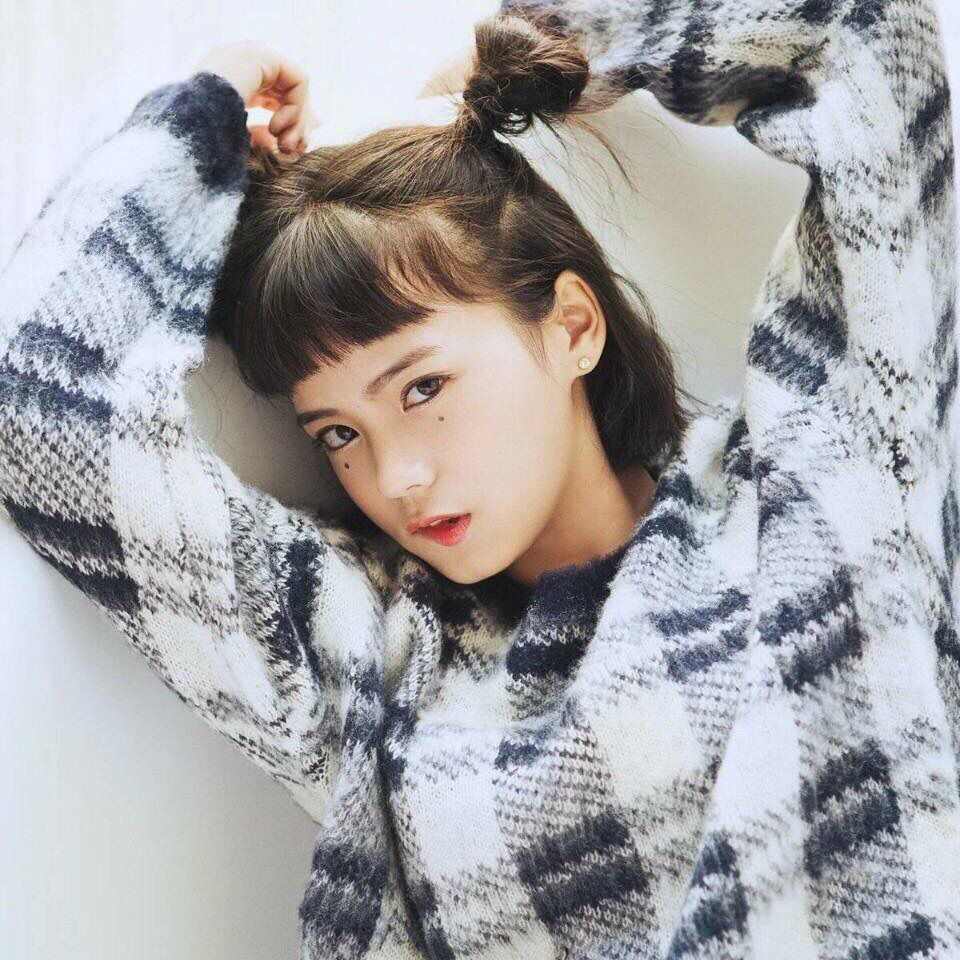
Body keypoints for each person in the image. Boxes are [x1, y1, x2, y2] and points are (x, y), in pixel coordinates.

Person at [1, 1, 957, 958]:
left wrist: (548, 38)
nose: (397, 477)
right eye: (338, 433)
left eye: (423, 387)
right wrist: (204, 120)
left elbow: (869, 41)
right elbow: (42, 411)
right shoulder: (372, 655)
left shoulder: (809, 471)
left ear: (572, 327)